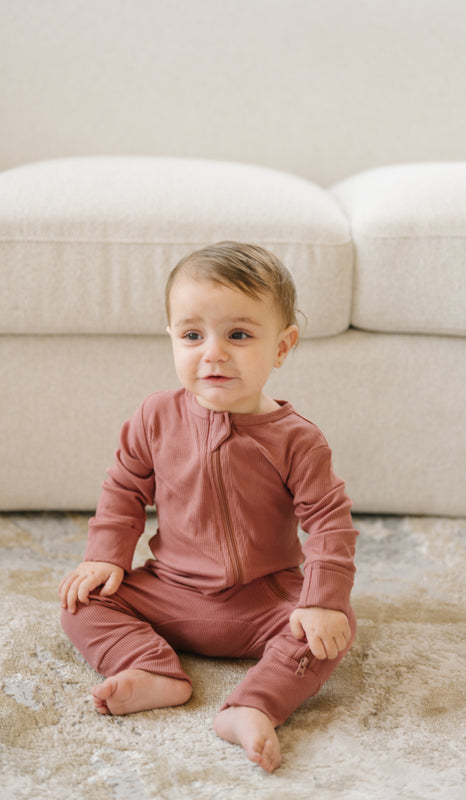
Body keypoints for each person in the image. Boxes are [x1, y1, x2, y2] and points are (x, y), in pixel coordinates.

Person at [59, 241, 357, 773]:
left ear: (282, 347)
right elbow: (125, 488)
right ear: (172, 338)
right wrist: (106, 556)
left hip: (262, 601)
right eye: (193, 335)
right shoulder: (155, 415)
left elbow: (329, 525)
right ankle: (153, 671)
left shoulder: (296, 440)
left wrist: (322, 601)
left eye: (238, 335)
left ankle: (251, 705)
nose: (212, 352)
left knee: (331, 631)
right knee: (80, 601)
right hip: (172, 591)